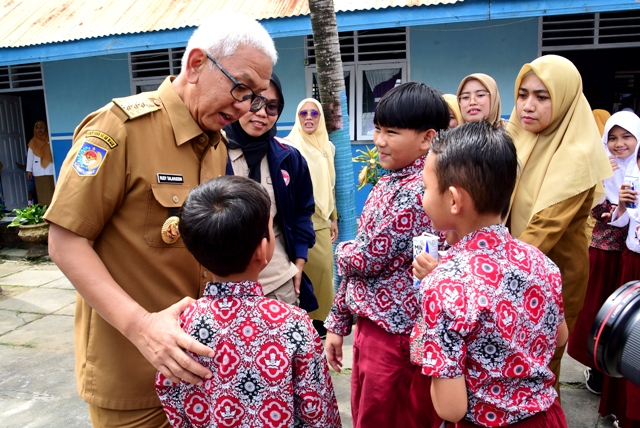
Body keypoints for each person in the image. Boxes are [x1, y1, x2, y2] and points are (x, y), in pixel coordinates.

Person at [44, 13, 277, 427]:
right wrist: (141, 327)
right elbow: (65, 241)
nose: (244, 106)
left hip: (201, 372)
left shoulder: (215, 143)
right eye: (240, 87)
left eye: (255, 96)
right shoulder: (119, 129)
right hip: (134, 375)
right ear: (196, 64)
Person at [410, 121, 568, 427]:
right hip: (547, 417)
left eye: (426, 188)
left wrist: (424, 337)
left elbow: (450, 409)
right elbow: (560, 336)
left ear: (454, 200)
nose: (422, 197)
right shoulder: (540, 262)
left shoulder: (443, 285)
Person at [155, 175, 341, 427]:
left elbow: (169, 392)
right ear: (262, 250)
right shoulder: (293, 323)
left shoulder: (179, 326)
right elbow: (317, 407)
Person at [324, 82, 449, 428]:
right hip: (374, 326)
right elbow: (362, 263)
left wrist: (342, 250)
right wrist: (338, 321)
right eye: (377, 129)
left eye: (391, 132)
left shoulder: (420, 190)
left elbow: (365, 259)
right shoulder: (389, 181)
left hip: (398, 337)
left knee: (389, 417)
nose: (379, 140)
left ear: (426, 138)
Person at [506, 54, 612, 396]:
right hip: (508, 271)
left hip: (554, 279)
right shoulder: (515, 137)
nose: (528, 105)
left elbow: (544, 229)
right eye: (523, 95)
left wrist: (489, 270)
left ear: (564, 98)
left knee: (538, 369)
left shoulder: (578, 152)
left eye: (542, 96)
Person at [223, 73, 317, 311]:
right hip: (223, 286)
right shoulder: (213, 153)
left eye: (271, 106)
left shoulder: (288, 158)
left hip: (278, 283)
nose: (262, 113)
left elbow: (302, 211)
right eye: (254, 103)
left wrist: (299, 260)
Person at [567, 111, 640, 395]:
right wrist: (604, 179)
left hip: (626, 255)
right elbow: (603, 213)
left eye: (626, 137)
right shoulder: (601, 169)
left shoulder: (634, 167)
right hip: (607, 251)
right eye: (612, 138)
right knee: (602, 312)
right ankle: (599, 369)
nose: (619, 144)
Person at [286, 98, 337, 337]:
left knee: (325, 274)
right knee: (299, 273)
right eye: (303, 113)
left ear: (321, 118)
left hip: (322, 222)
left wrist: (333, 217)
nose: (308, 117)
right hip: (300, 221)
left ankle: (321, 324)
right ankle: (301, 322)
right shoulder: (289, 146)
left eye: (314, 113)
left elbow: (330, 185)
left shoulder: (328, 146)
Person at [601, 139, 640, 428]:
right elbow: (623, 222)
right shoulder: (632, 169)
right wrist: (623, 207)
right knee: (628, 339)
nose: (619, 144)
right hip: (632, 258)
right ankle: (621, 412)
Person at [26, 120, 55, 206]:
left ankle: (52, 209)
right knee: (41, 192)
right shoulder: (32, 142)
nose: (39, 130)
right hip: (38, 171)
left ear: (45, 128)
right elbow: (30, 157)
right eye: (37, 128)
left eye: (41, 127)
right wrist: (29, 170)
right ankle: (43, 210)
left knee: (52, 190)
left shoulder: (49, 139)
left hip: (50, 170)